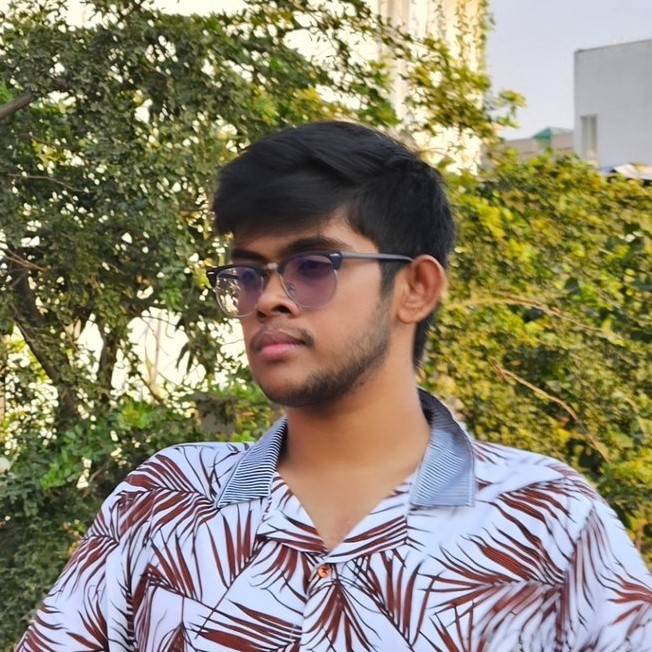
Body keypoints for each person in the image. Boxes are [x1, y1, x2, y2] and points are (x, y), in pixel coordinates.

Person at [18, 121, 652, 651]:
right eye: (247, 275)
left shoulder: (547, 520)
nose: (269, 298)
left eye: (312, 267)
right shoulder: (165, 502)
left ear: (415, 288)